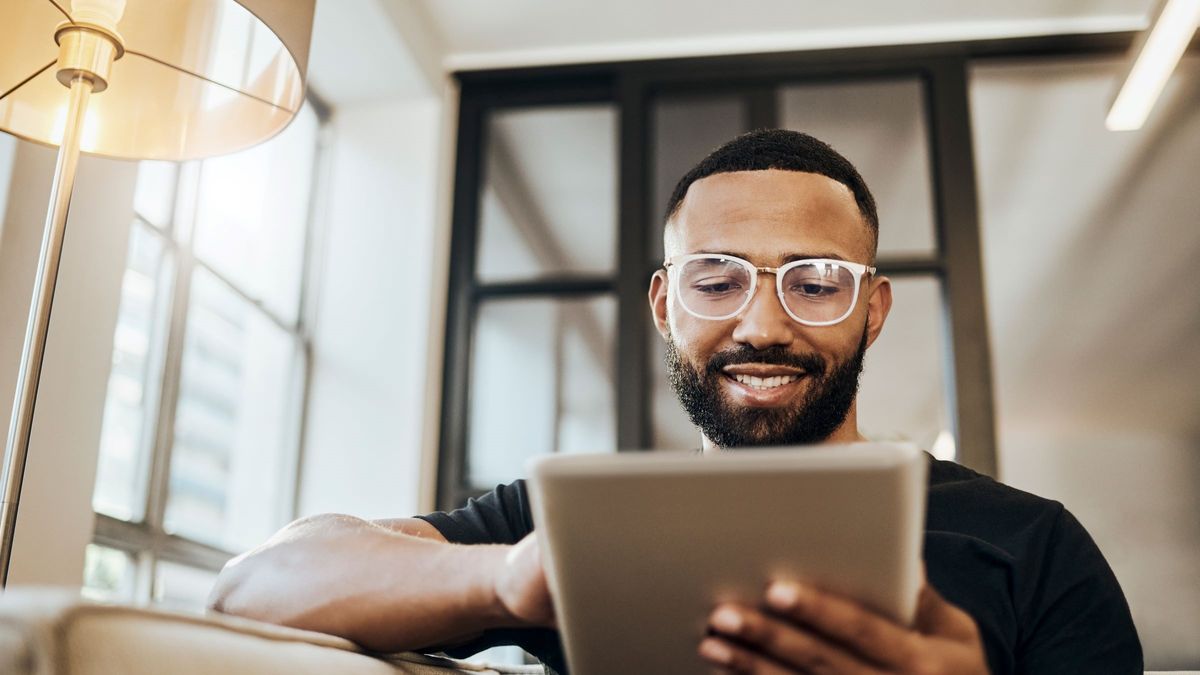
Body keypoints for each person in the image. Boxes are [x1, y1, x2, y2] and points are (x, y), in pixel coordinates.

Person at [208, 130, 1143, 674]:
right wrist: (511, 581)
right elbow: (254, 589)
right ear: (665, 304)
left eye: (815, 283)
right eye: (716, 280)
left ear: (872, 309)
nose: (762, 326)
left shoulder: (1033, 543)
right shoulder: (563, 528)